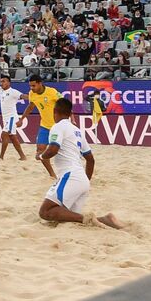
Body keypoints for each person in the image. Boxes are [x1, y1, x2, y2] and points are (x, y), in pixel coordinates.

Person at [37, 98, 121, 229]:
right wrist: (85, 181)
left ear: (55, 112)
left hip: (70, 175)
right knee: (66, 219)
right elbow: (91, 159)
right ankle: (105, 219)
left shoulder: (57, 127)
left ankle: (90, 219)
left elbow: (53, 149)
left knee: (45, 212)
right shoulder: (77, 130)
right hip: (81, 178)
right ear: (70, 113)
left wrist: (41, 155)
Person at [26, 74, 63, 175]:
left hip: (58, 126)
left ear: (40, 83)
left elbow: (64, 104)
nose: (31, 88)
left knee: (66, 152)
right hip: (45, 127)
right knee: (40, 151)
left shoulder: (52, 92)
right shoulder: (31, 94)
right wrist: (22, 118)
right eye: (30, 86)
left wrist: (71, 119)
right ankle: (52, 174)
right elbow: (31, 106)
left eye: (33, 86)